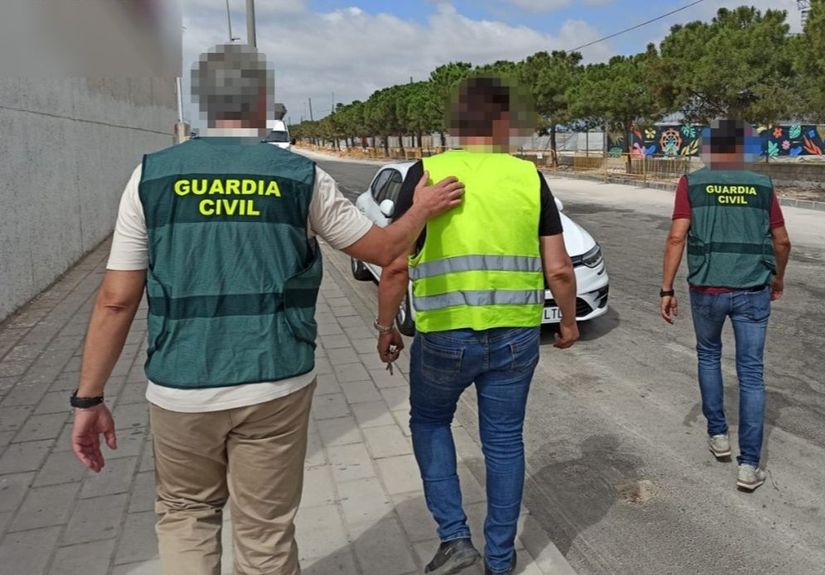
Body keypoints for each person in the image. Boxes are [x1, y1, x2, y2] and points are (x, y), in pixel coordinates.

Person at [69, 44, 463, 575]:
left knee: (186, 514)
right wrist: (420, 209)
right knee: (266, 531)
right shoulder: (300, 178)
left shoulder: (150, 178)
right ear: (264, 102)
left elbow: (116, 300)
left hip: (180, 386)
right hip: (275, 382)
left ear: (204, 103)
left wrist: (88, 397)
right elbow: (384, 251)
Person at [374, 76, 580, 575]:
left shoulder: (427, 172)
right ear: (505, 123)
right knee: (505, 442)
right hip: (515, 336)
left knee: (429, 422)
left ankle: (454, 540)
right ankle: (502, 560)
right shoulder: (528, 178)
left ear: (455, 122)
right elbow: (558, 268)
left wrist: (386, 326)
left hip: (444, 335)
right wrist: (568, 323)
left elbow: (396, 263)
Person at [659, 119, 792, 492]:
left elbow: (676, 237)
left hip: (706, 289)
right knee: (751, 373)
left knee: (708, 356)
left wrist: (666, 289)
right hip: (753, 290)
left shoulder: (692, 183)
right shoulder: (762, 185)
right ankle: (749, 466)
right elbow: (782, 242)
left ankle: (718, 435)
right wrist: (777, 278)